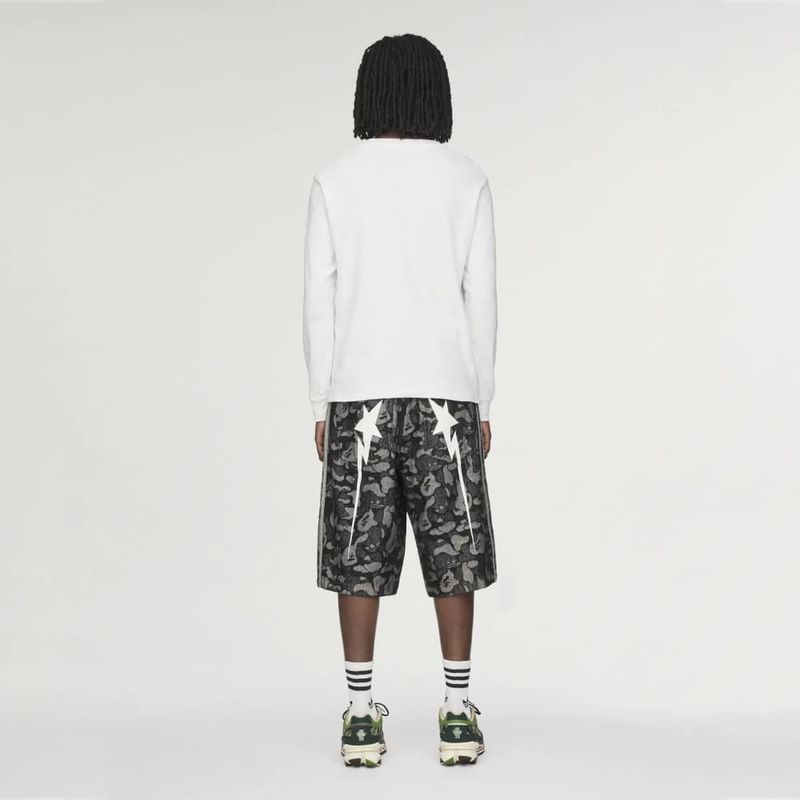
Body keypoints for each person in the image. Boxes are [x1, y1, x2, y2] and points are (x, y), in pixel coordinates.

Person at [302, 33, 498, 767]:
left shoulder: (335, 179)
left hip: (360, 396)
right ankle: (457, 713)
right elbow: (482, 299)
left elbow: (317, 302)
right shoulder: (466, 179)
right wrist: (482, 400)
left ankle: (360, 716)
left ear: (369, 92)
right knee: (454, 550)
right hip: (447, 396)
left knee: (359, 551)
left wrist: (321, 403)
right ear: (435, 93)